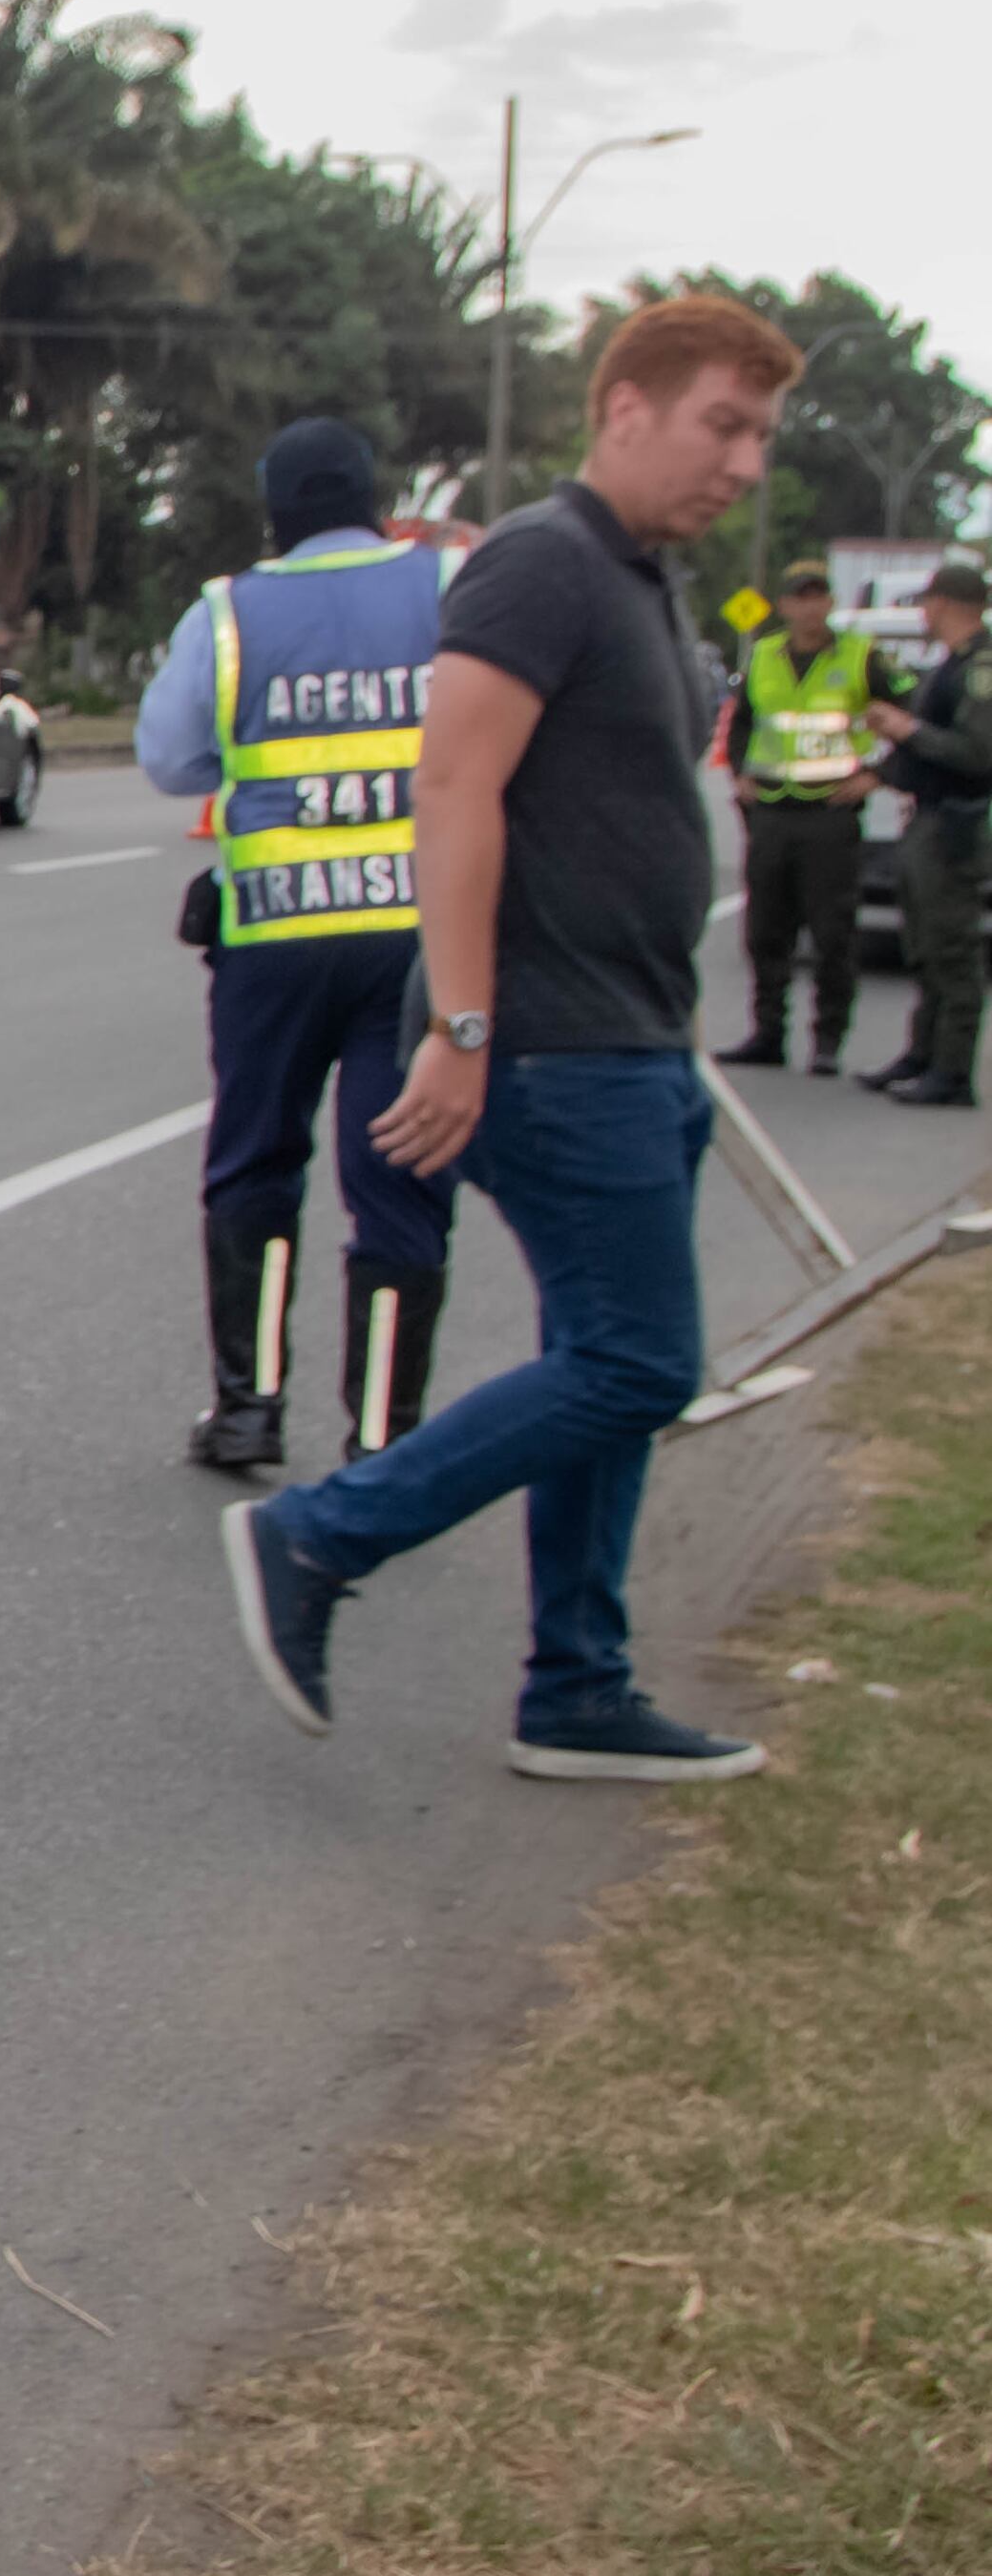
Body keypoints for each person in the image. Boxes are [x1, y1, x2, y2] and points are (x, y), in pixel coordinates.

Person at [222, 292, 794, 1783]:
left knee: (604, 1356)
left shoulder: (644, 579)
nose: (743, 461)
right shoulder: (541, 563)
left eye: (761, 436)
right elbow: (452, 792)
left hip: (632, 1039)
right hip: (546, 1046)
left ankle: (578, 1683)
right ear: (626, 408)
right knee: (639, 1359)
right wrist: (461, 1028)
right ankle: (314, 1537)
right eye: (721, 424)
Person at [134, 416, 456, 1472]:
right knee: (397, 1177)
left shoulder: (229, 613)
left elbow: (173, 760)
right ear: (376, 500)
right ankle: (379, 1442)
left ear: (275, 509)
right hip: (414, 943)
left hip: (271, 938)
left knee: (256, 1166)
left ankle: (245, 1411)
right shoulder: (444, 590)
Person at [714, 558, 895, 1076]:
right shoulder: (765, 655)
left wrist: (877, 773)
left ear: (830, 604)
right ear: (786, 605)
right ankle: (767, 1034)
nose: (810, 606)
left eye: (819, 596)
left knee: (832, 934)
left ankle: (828, 1042)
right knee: (766, 931)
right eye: (800, 597)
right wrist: (740, 776)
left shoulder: (861, 657)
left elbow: (910, 715)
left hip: (829, 815)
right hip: (771, 812)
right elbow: (742, 722)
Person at [859, 564, 992, 1107]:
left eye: (928, 602)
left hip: (958, 824)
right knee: (923, 945)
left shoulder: (980, 668)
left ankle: (952, 1072)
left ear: (946, 603)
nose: (923, 613)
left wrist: (910, 730)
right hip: (930, 819)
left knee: (952, 949)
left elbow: (978, 752)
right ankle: (923, 1054)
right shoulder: (953, 664)